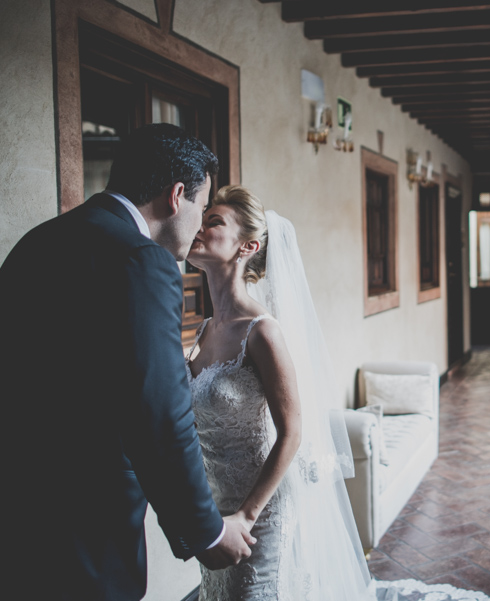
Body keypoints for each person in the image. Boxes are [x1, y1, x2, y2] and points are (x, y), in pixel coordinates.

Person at [0, 124, 254, 600]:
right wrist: (206, 532)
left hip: (15, 512)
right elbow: (159, 414)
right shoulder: (143, 261)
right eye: (202, 205)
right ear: (176, 195)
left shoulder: (37, 242)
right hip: (86, 530)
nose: (201, 223)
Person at [185, 185, 375, 600]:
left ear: (247, 246)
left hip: (258, 512)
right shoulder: (205, 330)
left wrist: (246, 517)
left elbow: (292, 432)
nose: (198, 228)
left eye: (213, 221)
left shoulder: (262, 332)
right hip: (214, 509)